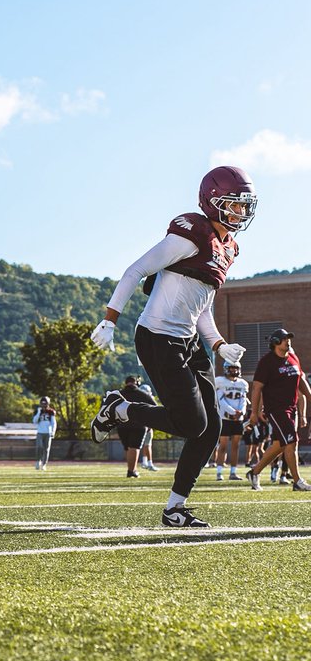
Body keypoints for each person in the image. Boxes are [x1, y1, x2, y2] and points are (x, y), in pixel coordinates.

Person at [89, 166, 256, 528]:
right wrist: (110, 318)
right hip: (157, 336)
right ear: (213, 202)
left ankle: (175, 508)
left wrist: (218, 344)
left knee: (210, 427)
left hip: (189, 340)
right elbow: (135, 269)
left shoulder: (229, 248)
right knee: (192, 423)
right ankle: (121, 410)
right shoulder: (191, 233)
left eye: (245, 206)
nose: (242, 212)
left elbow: (201, 307)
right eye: (235, 204)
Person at [246, 329, 311, 492]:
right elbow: (257, 388)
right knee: (291, 441)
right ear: (275, 342)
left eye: (289, 338)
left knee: (280, 445)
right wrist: (254, 412)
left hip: (292, 408)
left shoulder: (293, 357)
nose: (288, 341)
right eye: (284, 339)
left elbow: (301, 381)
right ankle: (297, 481)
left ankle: (254, 472)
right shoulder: (267, 362)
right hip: (276, 409)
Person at [113, 382, 157, 477]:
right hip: (138, 425)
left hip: (122, 425)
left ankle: (131, 469)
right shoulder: (142, 395)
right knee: (135, 447)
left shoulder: (119, 394)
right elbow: (155, 406)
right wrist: (150, 422)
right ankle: (132, 470)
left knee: (128, 448)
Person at [215, 360, 249, 482]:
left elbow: (243, 400)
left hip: (238, 419)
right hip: (225, 418)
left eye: (236, 368)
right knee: (223, 445)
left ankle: (233, 472)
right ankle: (219, 471)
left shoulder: (243, 383)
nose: (234, 370)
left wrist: (242, 412)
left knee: (236, 446)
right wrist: (233, 412)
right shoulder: (220, 381)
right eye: (231, 368)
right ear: (226, 369)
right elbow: (220, 400)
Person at [32, 397, 57, 471]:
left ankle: (44, 464)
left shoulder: (51, 412)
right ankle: (38, 461)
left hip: (48, 433)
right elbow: (34, 421)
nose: (43, 405)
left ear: (48, 403)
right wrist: (39, 412)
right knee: (39, 447)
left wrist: (53, 431)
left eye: (45, 403)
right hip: (40, 432)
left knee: (46, 449)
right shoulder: (37, 411)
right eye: (42, 403)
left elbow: (53, 422)